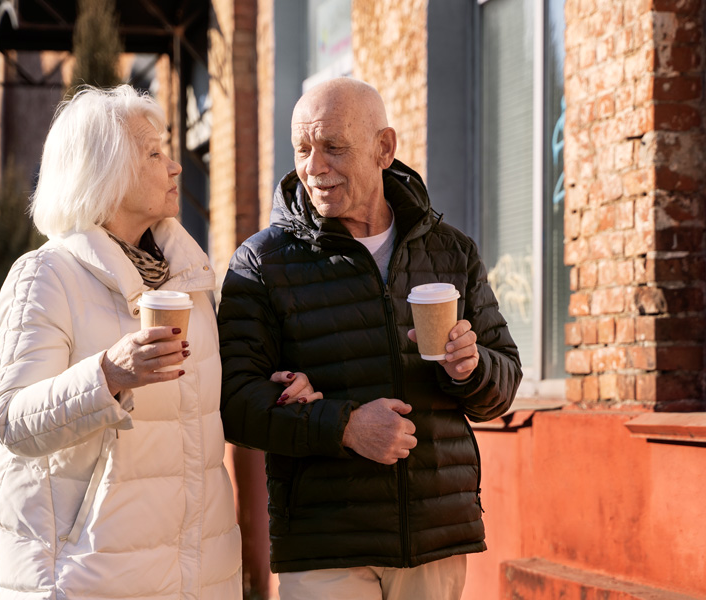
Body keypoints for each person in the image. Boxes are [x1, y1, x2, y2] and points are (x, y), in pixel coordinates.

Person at [0, 85, 318, 599]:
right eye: (155, 153)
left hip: (199, 573)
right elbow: (9, 419)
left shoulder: (189, 280)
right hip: (88, 574)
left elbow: (203, 407)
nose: (176, 166)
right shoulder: (45, 277)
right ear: (105, 170)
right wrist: (107, 375)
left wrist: (270, 392)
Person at [217, 77, 523, 600]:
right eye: (303, 150)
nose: (314, 167)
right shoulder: (260, 263)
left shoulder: (452, 252)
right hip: (325, 544)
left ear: (384, 148)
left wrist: (471, 370)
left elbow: (504, 385)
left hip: (433, 537)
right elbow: (236, 404)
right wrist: (346, 427)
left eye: (334, 148)